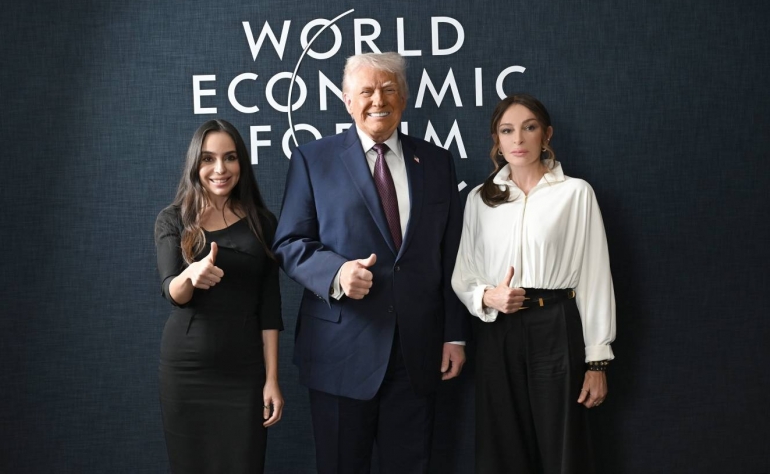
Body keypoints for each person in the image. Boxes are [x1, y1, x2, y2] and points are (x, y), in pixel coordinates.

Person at [273, 52, 470, 474]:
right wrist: (337, 273)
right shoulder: (312, 159)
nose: (378, 100)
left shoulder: (437, 161)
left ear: (404, 98)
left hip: (418, 354)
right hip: (340, 353)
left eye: (388, 89)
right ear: (347, 100)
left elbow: (451, 254)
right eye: (366, 91)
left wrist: (454, 334)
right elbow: (289, 243)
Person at [451, 94, 616, 474]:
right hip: (498, 331)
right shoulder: (480, 199)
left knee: (564, 447)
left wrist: (597, 361)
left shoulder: (575, 193)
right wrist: (487, 296)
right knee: (501, 447)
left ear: (547, 135)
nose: (518, 139)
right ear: (497, 140)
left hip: (556, 325)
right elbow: (464, 274)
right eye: (507, 130)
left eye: (529, 127)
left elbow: (595, 277)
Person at [154, 119, 283, 474]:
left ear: (242, 162)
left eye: (230, 157)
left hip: (245, 372)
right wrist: (191, 275)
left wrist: (272, 378)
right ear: (195, 164)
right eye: (208, 159)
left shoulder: (263, 222)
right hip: (186, 372)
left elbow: (270, 308)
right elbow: (172, 291)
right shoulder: (173, 219)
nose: (220, 169)